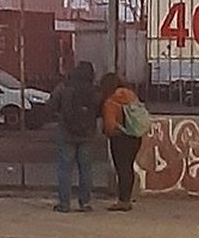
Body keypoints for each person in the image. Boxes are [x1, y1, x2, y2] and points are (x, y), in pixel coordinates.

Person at [48, 61, 98, 213]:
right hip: (87, 134)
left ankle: (64, 204)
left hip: (67, 133)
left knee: (65, 169)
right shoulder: (93, 89)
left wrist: (61, 115)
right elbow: (98, 109)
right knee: (86, 169)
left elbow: (51, 106)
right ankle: (85, 203)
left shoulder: (64, 86)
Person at [100, 72, 142, 211]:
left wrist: (106, 132)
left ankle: (123, 201)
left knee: (121, 169)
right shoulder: (131, 95)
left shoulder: (111, 101)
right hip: (135, 136)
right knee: (129, 167)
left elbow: (110, 126)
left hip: (119, 138)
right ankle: (128, 198)